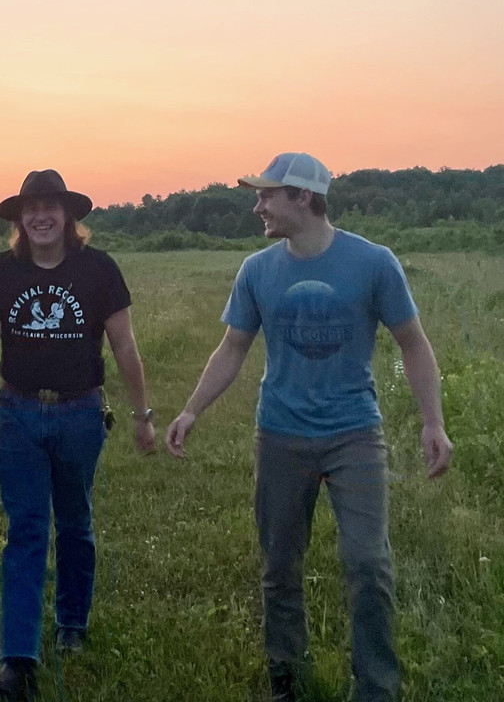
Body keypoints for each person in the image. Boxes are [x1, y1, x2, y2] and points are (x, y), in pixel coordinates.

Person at [165, 153, 453, 702]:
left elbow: (413, 343)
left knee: (368, 564)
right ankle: (287, 679)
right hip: (280, 434)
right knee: (279, 566)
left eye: (266, 196)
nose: (257, 207)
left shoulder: (373, 263)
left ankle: (375, 688)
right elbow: (233, 347)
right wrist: (190, 410)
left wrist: (432, 422)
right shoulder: (257, 270)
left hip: (354, 435)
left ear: (303, 197)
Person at [0, 169, 157, 700]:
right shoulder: (1, 273)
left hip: (79, 414)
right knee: (26, 529)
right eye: (32, 208)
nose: (41, 216)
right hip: (19, 413)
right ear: (19, 219)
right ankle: (17, 663)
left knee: (74, 520)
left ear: (68, 216)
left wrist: (142, 415)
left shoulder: (98, 270)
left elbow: (123, 346)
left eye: (51, 206)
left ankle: (71, 623)